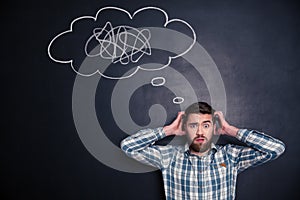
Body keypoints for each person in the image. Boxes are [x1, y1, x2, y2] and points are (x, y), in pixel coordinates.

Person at [120, 102, 285, 200]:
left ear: (214, 128)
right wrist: (168, 130)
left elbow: (276, 149)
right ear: (184, 128)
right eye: (193, 125)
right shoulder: (168, 157)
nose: (200, 132)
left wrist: (231, 130)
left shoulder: (230, 156)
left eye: (206, 125)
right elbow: (128, 146)